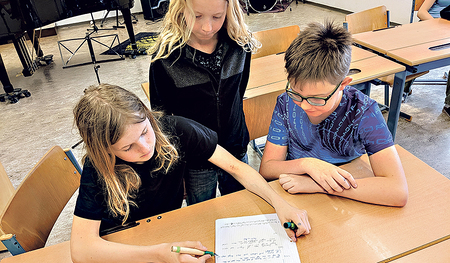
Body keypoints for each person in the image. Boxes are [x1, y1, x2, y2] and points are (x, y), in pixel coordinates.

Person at [70, 84, 310, 263]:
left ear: (147, 115)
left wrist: (279, 204)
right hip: (124, 247)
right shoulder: (98, 167)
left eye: (144, 131)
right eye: (127, 147)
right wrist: (158, 254)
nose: (145, 148)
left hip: (168, 231)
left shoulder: (176, 129)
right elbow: (82, 250)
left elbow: (236, 166)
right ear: (104, 150)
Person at [258, 21, 409, 207]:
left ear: (343, 84)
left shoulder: (363, 111)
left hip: (350, 195)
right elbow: (267, 168)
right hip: (297, 193)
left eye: (317, 99)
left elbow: (397, 191)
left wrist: (319, 185)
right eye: (297, 93)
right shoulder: (286, 102)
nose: (304, 106)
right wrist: (307, 164)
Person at [148, 0, 259, 204]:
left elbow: (238, 93)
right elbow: (161, 120)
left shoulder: (241, 46)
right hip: (195, 159)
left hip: (235, 148)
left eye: (217, 17)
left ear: (229, 9)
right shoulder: (165, 58)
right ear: (181, 9)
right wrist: (173, 170)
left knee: (242, 208)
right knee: (201, 213)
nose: (207, 27)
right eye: (197, 16)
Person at [418, 0, 450, 117]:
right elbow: (421, 12)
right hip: (430, 26)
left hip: (447, 30)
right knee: (415, 61)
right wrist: (438, 27)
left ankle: (449, 104)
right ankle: (403, 89)